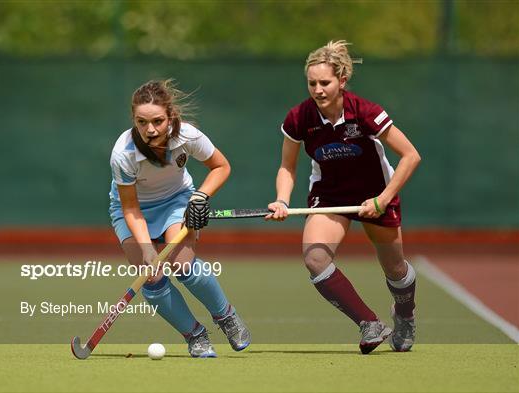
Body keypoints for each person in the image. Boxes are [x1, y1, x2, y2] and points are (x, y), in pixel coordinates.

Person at [266, 40, 421, 354]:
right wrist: (282, 199)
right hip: (330, 195)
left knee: (395, 269)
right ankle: (369, 323)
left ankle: (405, 315)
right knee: (315, 258)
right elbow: (287, 166)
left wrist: (383, 198)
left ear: (342, 81)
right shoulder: (299, 118)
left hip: (376, 193)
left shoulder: (365, 112)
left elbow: (411, 156)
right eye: (312, 83)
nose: (318, 90)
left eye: (325, 82)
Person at [109, 79, 250, 358]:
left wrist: (200, 197)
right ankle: (195, 335)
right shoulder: (123, 154)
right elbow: (130, 208)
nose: (150, 130)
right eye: (142, 122)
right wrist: (147, 248)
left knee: (183, 265)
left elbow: (221, 167)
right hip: (133, 211)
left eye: (158, 121)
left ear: (170, 116)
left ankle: (225, 316)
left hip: (176, 200)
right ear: (134, 120)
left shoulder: (188, 136)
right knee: (151, 278)